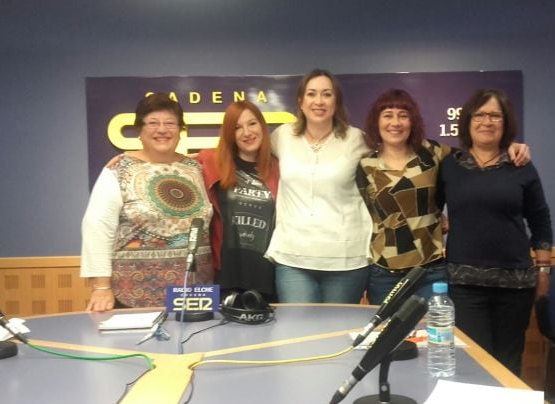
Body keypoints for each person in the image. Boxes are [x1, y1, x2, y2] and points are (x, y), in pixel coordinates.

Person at [358, 89, 530, 305]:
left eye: (403, 115)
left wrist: (508, 147)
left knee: (435, 336)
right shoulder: (365, 166)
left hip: (430, 272)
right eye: (388, 115)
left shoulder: (434, 153)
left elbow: (478, 154)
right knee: (386, 337)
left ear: (412, 122)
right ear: (377, 121)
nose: (396, 122)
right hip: (383, 274)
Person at [440, 88, 552, 375]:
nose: (486, 121)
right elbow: (429, 209)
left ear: (505, 123)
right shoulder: (450, 166)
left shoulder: (520, 165)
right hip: (465, 285)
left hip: (514, 286)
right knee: (474, 364)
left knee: (509, 364)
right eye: (479, 115)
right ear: (467, 121)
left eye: (494, 115)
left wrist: (544, 271)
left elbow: (540, 219)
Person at [80, 93, 213, 312]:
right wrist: (101, 287)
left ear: (180, 131)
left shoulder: (196, 168)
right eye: (153, 123)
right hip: (133, 292)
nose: (162, 130)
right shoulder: (119, 169)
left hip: (195, 291)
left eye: (170, 123)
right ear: (139, 131)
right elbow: (97, 227)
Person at [265, 69, 372, 303]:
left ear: (337, 102)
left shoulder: (357, 139)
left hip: (345, 257)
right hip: (293, 256)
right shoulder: (282, 136)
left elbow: (391, 164)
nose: (319, 101)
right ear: (301, 102)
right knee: (297, 333)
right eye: (312, 94)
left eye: (327, 94)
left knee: (338, 334)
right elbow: (245, 153)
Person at [197, 101, 279, 302]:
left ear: (262, 125)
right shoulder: (211, 161)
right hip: (226, 275)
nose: (246, 132)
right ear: (229, 133)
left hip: (267, 275)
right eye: (237, 127)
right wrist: (127, 157)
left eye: (252, 124)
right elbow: (172, 161)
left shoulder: (279, 168)